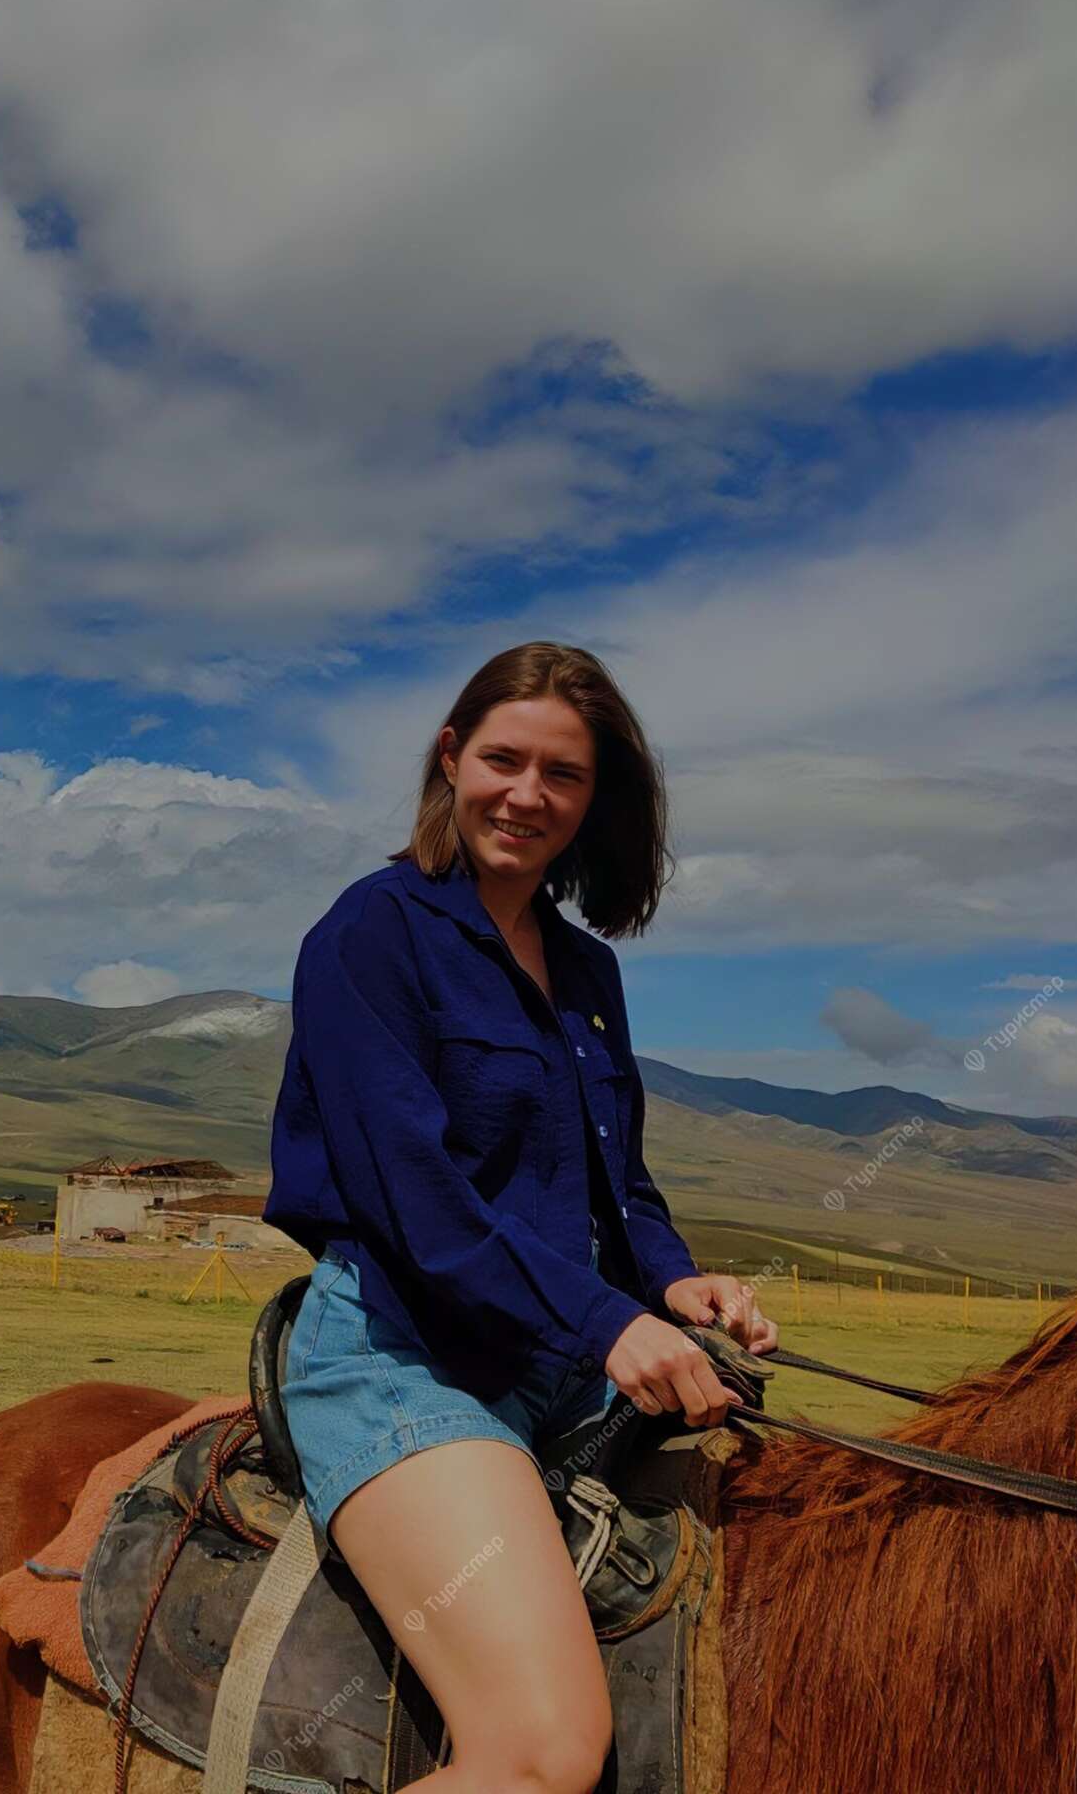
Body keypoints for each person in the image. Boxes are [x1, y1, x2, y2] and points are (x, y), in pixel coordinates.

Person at [264, 641, 779, 1794]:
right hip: (409, 1359)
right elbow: (420, 1205)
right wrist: (609, 1323)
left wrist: (676, 1285)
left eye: (564, 775)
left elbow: (619, 1188)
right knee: (542, 1756)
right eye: (504, 760)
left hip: (565, 1361)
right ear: (452, 758)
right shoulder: (369, 935)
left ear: (597, 800)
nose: (527, 796)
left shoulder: (588, 972)